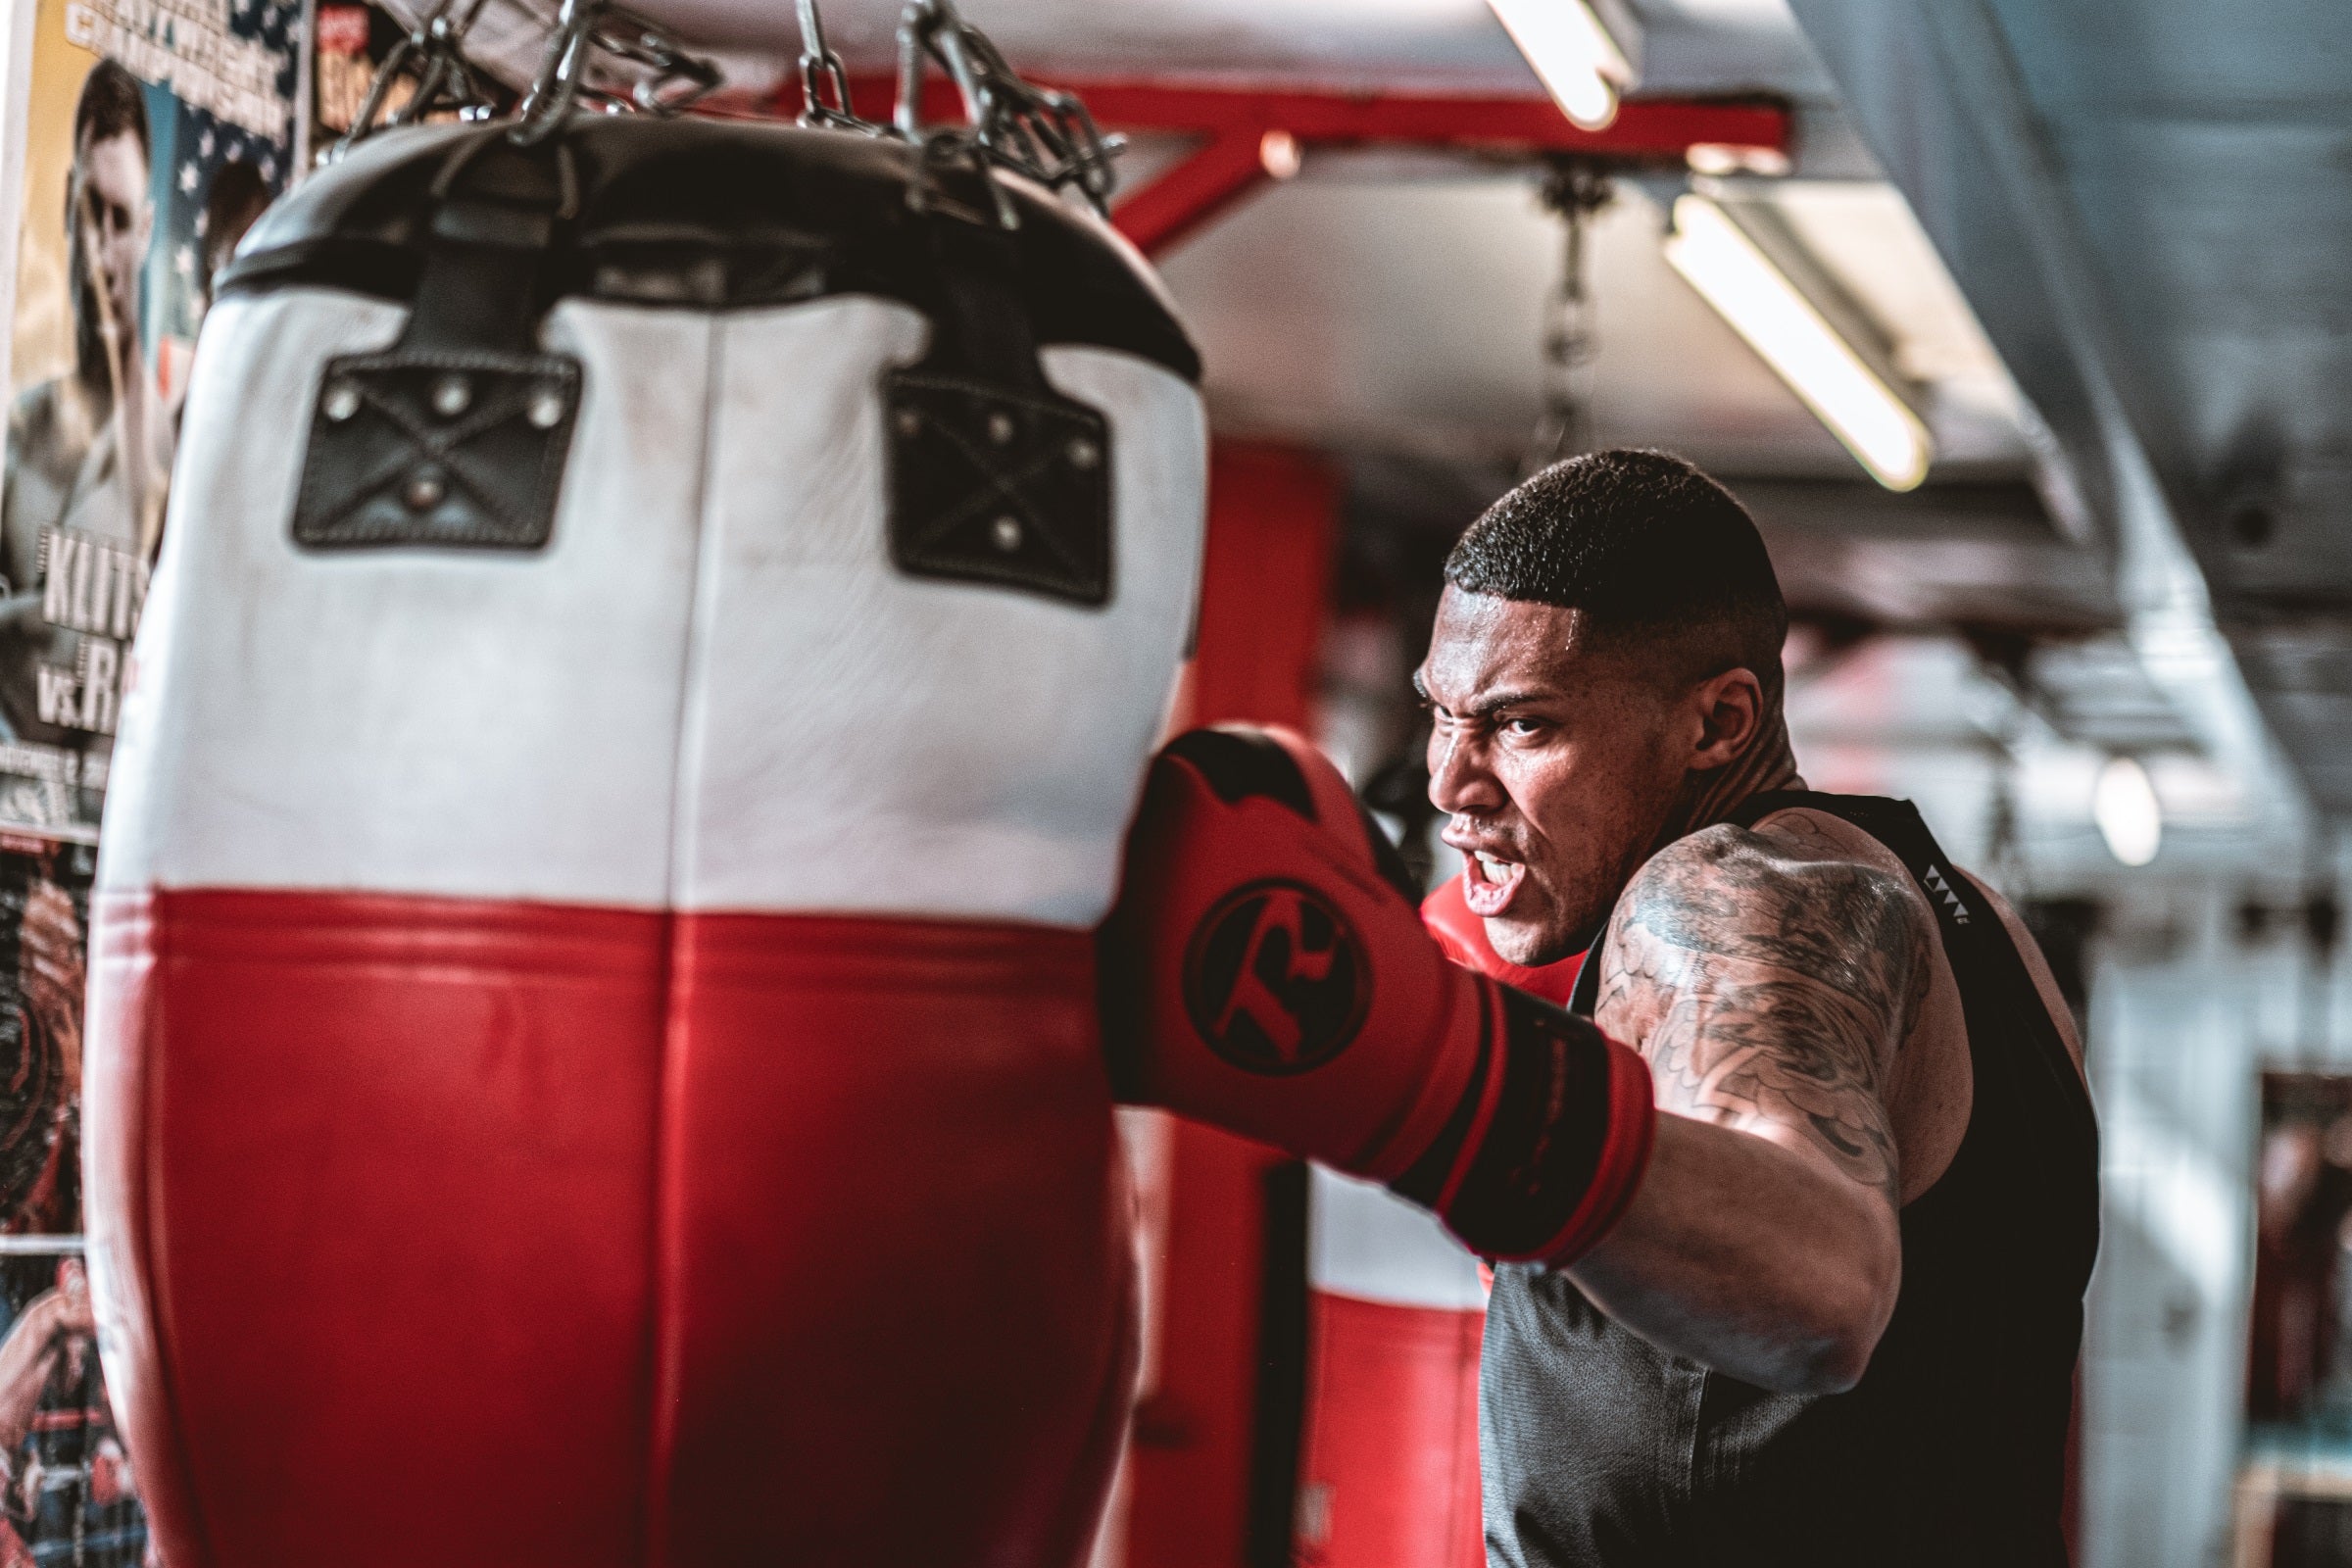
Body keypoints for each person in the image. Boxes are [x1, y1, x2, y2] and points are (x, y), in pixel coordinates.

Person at [1402, 449, 2098, 1565]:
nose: (1450, 780)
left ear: (1720, 723)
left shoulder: (1727, 895)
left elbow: (1825, 1289)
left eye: (1522, 725)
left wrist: (1418, 1081)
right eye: (1441, 713)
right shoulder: (1982, 923)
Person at [0, 60, 168, 756]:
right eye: (88, 214)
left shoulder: (178, 455)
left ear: (149, 230)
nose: (102, 253)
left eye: (121, 220)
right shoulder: (17, 430)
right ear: (66, 206)